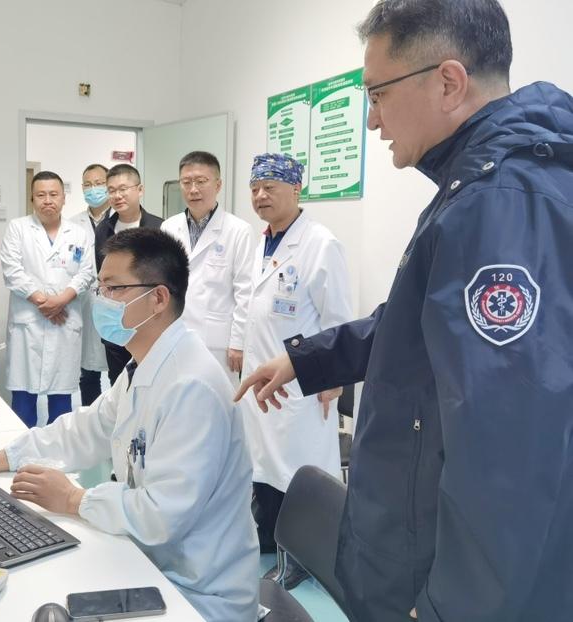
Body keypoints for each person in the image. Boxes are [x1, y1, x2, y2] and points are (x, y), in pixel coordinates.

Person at [236, 1, 573, 620]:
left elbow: (510, 446)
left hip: (440, 580)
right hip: (413, 542)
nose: (372, 120)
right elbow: (414, 322)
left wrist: (451, 608)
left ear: (448, 82)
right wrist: (307, 359)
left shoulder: (498, 205)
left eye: (378, 94)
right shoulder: (475, 187)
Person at [0, 228, 259, 621]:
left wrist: (73, 499)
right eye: (100, 287)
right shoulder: (147, 365)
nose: (101, 300)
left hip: (201, 595)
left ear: (159, 298)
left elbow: (161, 515)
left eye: (114, 288)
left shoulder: (192, 386)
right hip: (156, 565)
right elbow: (85, 430)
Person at [240, 153, 353, 588]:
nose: (260, 196)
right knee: (265, 467)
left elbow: (339, 320)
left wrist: (332, 380)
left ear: (295, 189)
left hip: (304, 383)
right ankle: (272, 541)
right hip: (264, 380)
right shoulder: (263, 242)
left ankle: (302, 558)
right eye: (254, 188)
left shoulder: (320, 244)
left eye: (270, 187)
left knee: (299, 474)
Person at [1, 171, 94, 427]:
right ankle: (21, 447)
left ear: (64, 198)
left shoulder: (78, 233)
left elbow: (86, 273)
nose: (48, 200)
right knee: (23, 398)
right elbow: (12, 270)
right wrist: (45, 302)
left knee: (61, 399)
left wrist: (61, 300)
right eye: (41, 195)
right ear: (32, 199)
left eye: (54, 194)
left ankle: (58, 449)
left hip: (65, 320)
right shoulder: (18, 228)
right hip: (28, 322)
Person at [160, 151, 253, 385]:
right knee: (176, 395)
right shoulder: (169, 227)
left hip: (218, 343)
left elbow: (245, 292)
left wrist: (238, 342)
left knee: (217, 398)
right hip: (175, 334)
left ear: (218, 185)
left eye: (201, 181)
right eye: (186, 182)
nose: (193, 190)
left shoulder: (238, 230)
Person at [94, 164, 163, 384]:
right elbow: (102, 274)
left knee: (150, 380)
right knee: (118, 382)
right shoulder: (103, 229)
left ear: (140, 189)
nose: (117, 195)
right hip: (115, 319)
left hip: (148, 320)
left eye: (123, 189)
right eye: (112, 190)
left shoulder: (159, 227)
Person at [70, 164, 110, 406]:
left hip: (116, 301)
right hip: (84, 302)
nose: (93, 189)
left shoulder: (120, 219)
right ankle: (90, 416)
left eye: (99, 183)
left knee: (119, 370)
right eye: (87, 184)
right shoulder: (73, 224)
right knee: (88, 372)